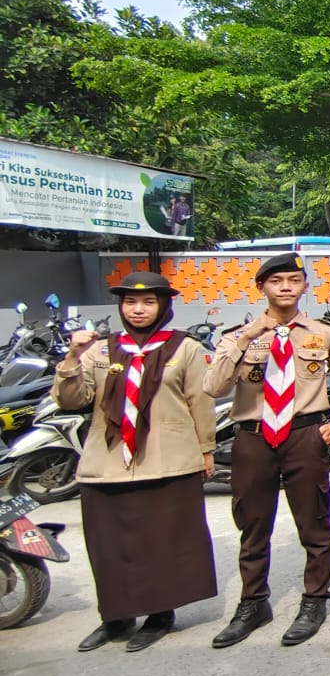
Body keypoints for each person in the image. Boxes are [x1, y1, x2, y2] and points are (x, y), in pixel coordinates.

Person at [204, 253, 330, 648]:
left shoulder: (323, 334)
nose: (286, 287)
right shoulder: (237, 335)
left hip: (305, 435)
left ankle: (314, 599)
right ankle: (253, 602)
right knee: (252, 525)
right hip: (254, 437)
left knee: (314, 522)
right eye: (277, 282)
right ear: (262, 288)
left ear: (305, 286)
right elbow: (214, 386)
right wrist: (245, 338)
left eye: (294, 280)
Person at [55, 272, 218, 653]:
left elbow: (200, 401)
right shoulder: (100, 350)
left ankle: (160, 614)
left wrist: (205, 450)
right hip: (107, 464)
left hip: (169, 461)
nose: (138, 309)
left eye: (148, 302)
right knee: (109, 545)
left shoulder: (184, 348)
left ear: (163, 306)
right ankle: (115, 617)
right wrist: (72, 358)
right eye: (130, 302)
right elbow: (73, 399)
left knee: (161, 542)